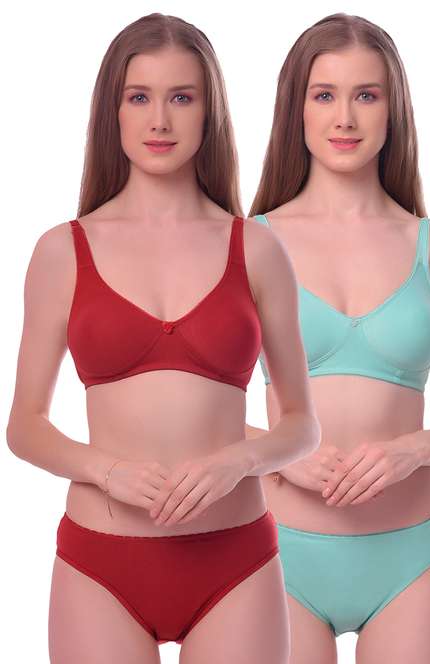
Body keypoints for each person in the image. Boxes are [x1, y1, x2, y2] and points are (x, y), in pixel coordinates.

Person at [5, 13, 321, 663]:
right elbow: (25, 425)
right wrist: (107, 472)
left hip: (236, 559)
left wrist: (238, 460)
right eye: (138, 97)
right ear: (112, 112)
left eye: (181, 97)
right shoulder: (62, 251)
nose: (159, 121)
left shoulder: (257, 249)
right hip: (100, 563)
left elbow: (300, 425)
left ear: (209, 113)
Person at [246, 12, 430, 664]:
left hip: (411, 559)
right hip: (279, 555)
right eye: (324, 95)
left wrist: (412, 450)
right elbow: (190, 413)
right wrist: (280, 453)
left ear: (393, 110)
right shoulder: (249, 244)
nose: (345, 118)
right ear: (296, 109)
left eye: (366, 94)